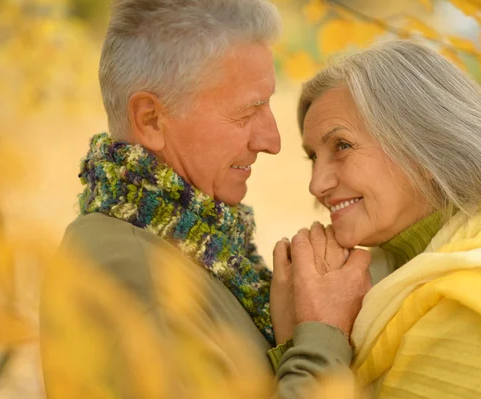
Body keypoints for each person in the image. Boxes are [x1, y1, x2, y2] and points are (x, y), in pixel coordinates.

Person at [39, 1, 371, 398]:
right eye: (248, 112)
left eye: (268, 104)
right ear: (151, 119)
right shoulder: (135, 277)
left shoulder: (190, 248)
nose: (272, 141)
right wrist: (324, 334)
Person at [270, 40, 481, 399]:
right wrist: (304, 339)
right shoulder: (405, 278)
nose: (316, 184)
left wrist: (314, 335)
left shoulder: (475, 313)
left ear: (425, 150)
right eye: (313, 157)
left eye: (341, 146)